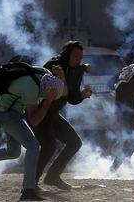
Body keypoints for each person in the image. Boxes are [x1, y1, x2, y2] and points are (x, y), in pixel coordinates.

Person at [0, 65, 62, 201]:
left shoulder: (45, 75)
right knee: (33, 147)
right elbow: (34, 121)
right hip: (5, 113)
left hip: (11, 111)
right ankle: (28, 190)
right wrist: (48, 100)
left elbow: (62, 91)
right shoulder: (31, 88)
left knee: (13, 152)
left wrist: (61, 77)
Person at [35, 41, 93, 190]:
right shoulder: (52, 66)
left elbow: (72, 98)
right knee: (49, 147)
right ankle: (31, 183)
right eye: (75, 56)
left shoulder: (77, 71)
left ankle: (53, 176)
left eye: (81, 57)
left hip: (53, 114)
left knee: (74, 143)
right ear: (67, 54)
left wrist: (83, 94)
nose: (78, 59)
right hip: (41, 112)